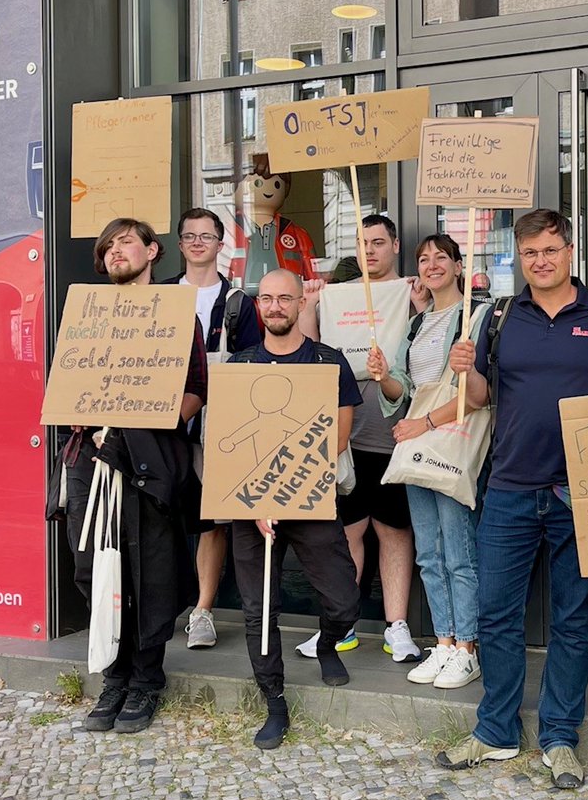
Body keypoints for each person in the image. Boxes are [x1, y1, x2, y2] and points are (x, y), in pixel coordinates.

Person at [438, 208, 588, 788]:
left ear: (570, 250)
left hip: (584, 491)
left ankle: (559, 737)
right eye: (530, 254)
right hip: (507, 486)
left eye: (551, 250)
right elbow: (480, 395)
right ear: (519, 258)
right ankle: (497, 731)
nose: (541, 261)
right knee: (496, 614)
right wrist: (464, 372)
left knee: (574, 619)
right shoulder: (499, 316)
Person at [64, 217, 207, 734]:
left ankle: (146, 679)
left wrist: (167, 413)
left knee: (150, 569)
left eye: (125, 241)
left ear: (152, 251)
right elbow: (67, 380)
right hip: (91, 455)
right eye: (106, 248)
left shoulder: (176, 314)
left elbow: (196, 386)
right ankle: (114, 673)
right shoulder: (85, 314)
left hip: (150, 457)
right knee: (93, 568)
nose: (114, 252)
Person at [227, 269, 364, 750]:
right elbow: (228, 445)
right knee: (258, 609)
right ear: (257, 305)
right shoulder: (239, 365)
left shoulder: (329, 361)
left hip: (311, 497)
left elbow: (338, 437)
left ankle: (328, 642)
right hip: (253, 508)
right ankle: (274, 701)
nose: (275, 306)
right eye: (266, 299)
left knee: (344, 599)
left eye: (284, 298)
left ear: (301, 300)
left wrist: (285, 487)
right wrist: (258, 500)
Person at [294, 214, 423, 665]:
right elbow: (311, 356)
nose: (369, 251)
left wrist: (419, 302)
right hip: (346, 437)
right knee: (348, 531)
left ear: (394, 247)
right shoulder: (336, 297)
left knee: (394, 532)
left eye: (378, 242)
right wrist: (310, 305)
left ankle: (397, 628)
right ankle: (341, 625)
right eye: (361, 243)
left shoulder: (409, 295)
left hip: (394, 435)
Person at [368, 234, 490, 689]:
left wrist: (424, 424)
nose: (433, 264)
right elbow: (401, 390)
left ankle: (468, 648)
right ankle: (443, 641)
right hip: (419, 446)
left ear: (459, 266)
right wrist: (383, 377)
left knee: (459, 552)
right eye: (424, 259)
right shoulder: (417, 324)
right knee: (429, 554)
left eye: (442, 257)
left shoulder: (476, 318)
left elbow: (477, 396)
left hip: (446, 442)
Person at [167, 208, 262, 651]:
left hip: (216, 424)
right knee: (159, 516)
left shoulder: (239, 302)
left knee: (212, 521)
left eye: (207, 236)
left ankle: (202, 610)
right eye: (190, 236)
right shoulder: (158, 294)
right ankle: (160, 604)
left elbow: (249, 365)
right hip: (160, 423)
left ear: (221, 244)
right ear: (181, 244)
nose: (198, 243)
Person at [221, 153, 317, 296]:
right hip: (241, 303)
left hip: (286, 303)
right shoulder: (227, 232)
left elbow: (313, 272)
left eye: (277, 184)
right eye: (257, 183)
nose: (267, 189)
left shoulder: (296, 234)